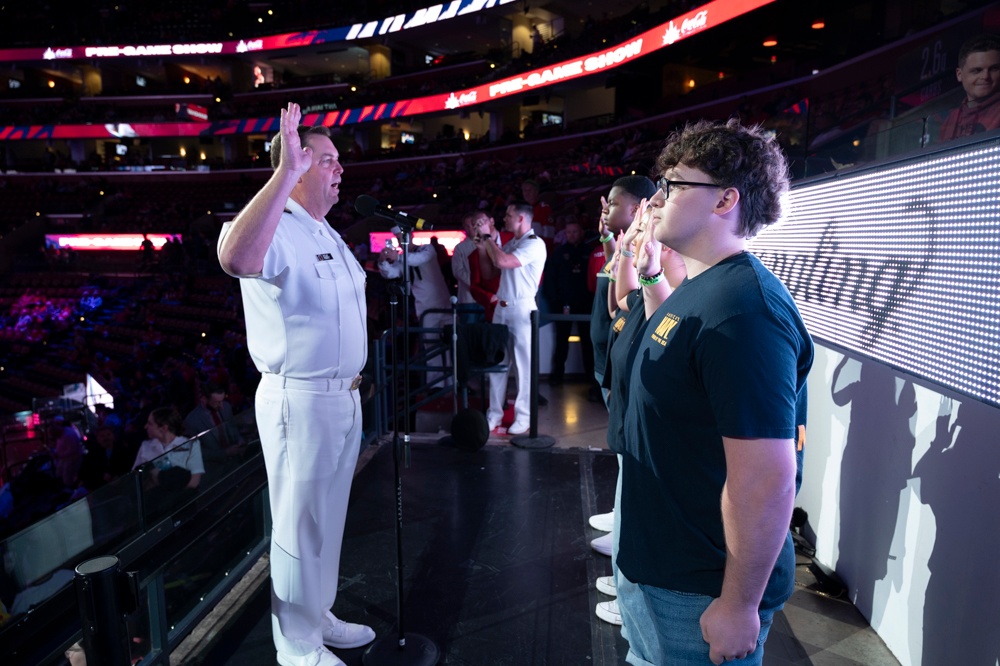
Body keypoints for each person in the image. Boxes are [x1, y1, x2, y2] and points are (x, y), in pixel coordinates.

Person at [617, 119, 814, 666]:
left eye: (674, 185)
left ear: (726, 198)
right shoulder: (704, 289)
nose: (657, 200)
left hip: (698, 587)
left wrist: (738, 603)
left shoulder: (743, 311)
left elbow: (766, 476)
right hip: (662, 566)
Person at [217, 102, 374, 666]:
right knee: (298, 521)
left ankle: (317, 614)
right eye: (326, 159)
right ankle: (295, 644)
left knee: (327, 520)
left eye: (336, 160)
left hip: (342, 397)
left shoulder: (321, 227)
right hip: (299, 400)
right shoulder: (275, 225)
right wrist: (280, 179)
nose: (339, 169)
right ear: (296, 164)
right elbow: (235, 258)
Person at [477, 201, 546, 435]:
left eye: (508, 215)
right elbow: (489, 272)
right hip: (502, 307)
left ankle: (524, 417)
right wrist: (481, 245)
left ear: (521, 219)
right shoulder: (512, 242)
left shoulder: (535, 244)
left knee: (523, 366)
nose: (504, 218)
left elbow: (503, 261)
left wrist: (487, 238)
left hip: (522, 307)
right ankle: (494, 414)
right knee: (497, 363)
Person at [543, 220, 595, 386]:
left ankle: (591, 379)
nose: (571, 235)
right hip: (563, 305)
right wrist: (556, 302)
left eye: (574, 231)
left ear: (581, 232)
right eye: (568, 232)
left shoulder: (590, 252)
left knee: (588, 342)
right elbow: (550, 280)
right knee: (561, 342)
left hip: (586, 304)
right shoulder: (558, 254)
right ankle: (557, 377)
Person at [939, 34, 1000, 142]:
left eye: (994, 69)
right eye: (976, 70)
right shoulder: (950, 119)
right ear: (959, 74)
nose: (985, 76)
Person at [183, 380, 246, 472]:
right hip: (215, 469)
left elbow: (233, 429)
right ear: (204, 400)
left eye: (222, 400)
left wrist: (239, 439)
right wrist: (224, 453)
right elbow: (196, 452)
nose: (221, 406)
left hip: (236, 461)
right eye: (216, 402)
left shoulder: (226, 407)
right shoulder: (192, 421)